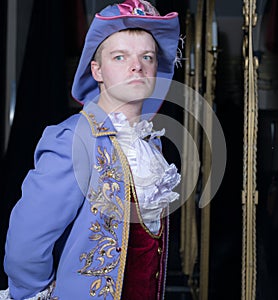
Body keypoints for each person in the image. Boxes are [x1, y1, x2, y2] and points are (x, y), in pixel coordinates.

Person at [0, 0, 181, 299]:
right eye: (120, 57)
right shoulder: (73, 139)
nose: (136, 65)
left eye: (146, 56)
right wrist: (37, 293)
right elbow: (25, 244)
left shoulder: (150, 145)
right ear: (97, 70)